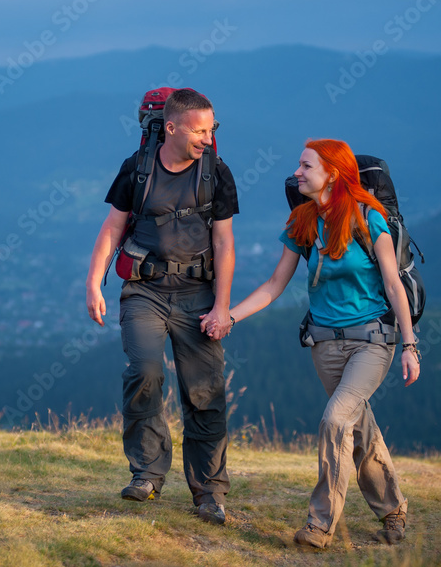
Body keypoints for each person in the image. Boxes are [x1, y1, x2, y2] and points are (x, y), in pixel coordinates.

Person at [203, 138, 421, 547]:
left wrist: (409, 346)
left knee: (335, 421)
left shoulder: (367, 217)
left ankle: (320, 525)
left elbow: (393, 285)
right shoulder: (302, 222)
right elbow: (273, 286)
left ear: (332, 173)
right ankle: (393, 510)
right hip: (325, 344)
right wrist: (228, 315)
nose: (296, 173)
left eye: (306, 166)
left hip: (372, 341)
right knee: (358, 430)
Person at [86, 88, 239, 525]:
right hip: (144, 291)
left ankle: (209, 492)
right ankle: (147, 474)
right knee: (145, 372)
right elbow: (113, 228)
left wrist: (222, 307)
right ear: (170, 128)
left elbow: (225, 242)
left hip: (199, 296)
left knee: (205, 391)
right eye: (198, 130)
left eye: (211, 130)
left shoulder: (217, 173)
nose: (207, 139)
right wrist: (93, 283)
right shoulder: (136, 170)